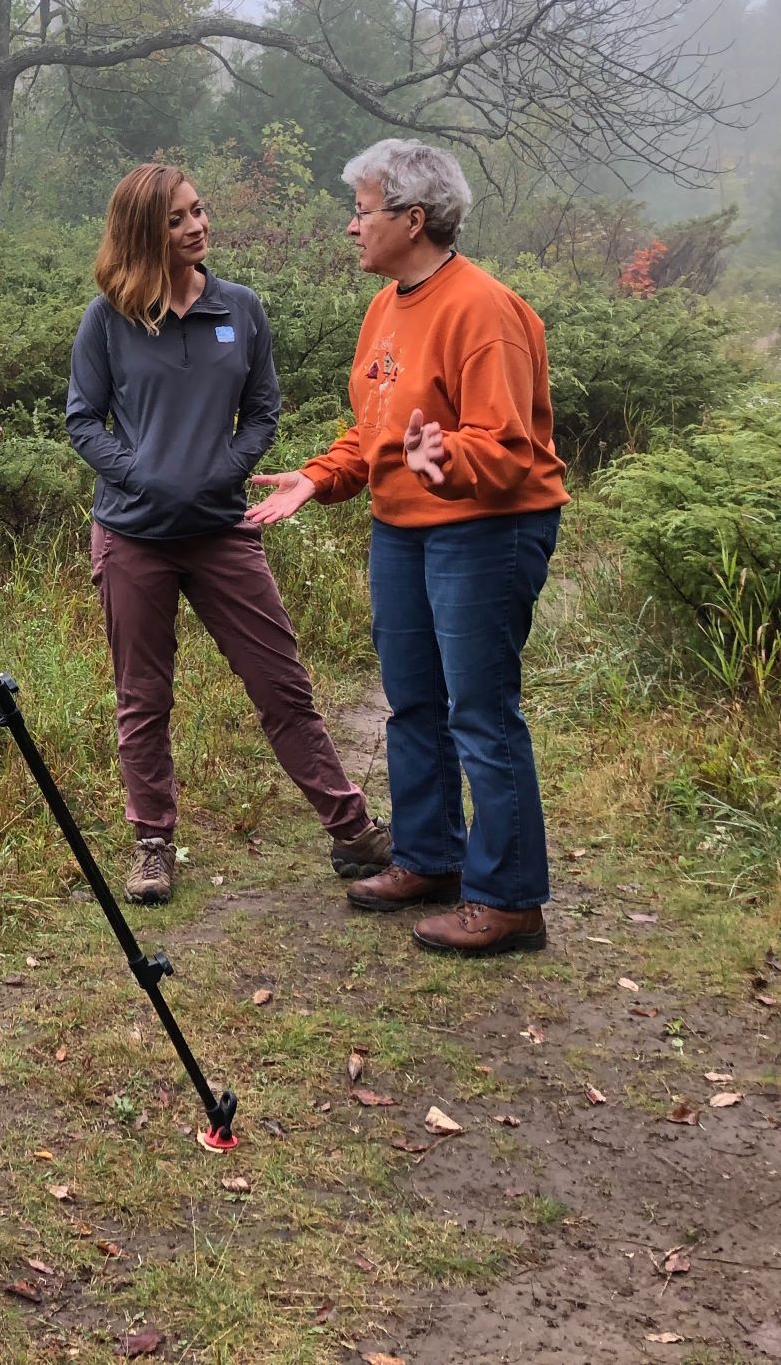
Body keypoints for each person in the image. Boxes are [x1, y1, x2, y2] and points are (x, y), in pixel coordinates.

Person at [247, 140, 569, 958]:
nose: (350, 227)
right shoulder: (387, 303)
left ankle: (508, 901)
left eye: (360, 210)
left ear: (411, 218)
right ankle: (429, 859)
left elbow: (507, 450)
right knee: (414, 702)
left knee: (480, 713)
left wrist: (446, 461)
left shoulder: (483, 311)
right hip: (402, 530)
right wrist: (319, 479)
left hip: (485, 530)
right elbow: (376, 431)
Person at [65, 164, 390, 907]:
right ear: (146, 232)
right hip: (132, 535)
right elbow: (81, 418)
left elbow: (264, 410)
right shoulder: (107, 318)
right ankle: (152, 846)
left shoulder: (238, 308)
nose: (196, 226)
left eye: (198, 211)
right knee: (141, 699)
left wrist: (221, 469)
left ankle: (351, 831)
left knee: (281, 685)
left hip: (220, 529)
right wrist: (141, 474)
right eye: (177, 219)